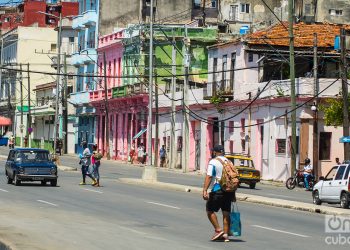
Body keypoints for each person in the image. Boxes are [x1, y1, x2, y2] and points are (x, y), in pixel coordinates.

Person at [202, 145, 236, 242]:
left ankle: (218, 230)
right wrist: (233, 194)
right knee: (226, 213)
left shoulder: (213, 161)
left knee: (209, 210)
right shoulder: (229, 161)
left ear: (215, 152)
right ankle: (225, 235)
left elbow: (209, 176)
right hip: (229, 191)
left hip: (218, 189)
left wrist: (205, 190)